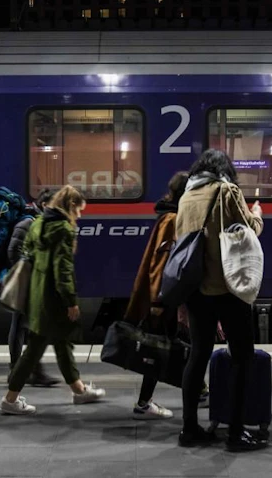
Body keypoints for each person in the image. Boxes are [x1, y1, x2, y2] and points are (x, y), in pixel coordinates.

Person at [176, 149, 266, 452]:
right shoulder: (227, 191)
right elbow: (248, 230)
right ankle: (236, 433)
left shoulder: (186, 196)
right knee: (243, 357)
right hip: (228, 288)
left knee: (198, 355)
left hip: (195, 289)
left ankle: (189, 428)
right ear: (224, 169)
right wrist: (258, 216)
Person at [0, 185, 106, 415]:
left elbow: (29, 253)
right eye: (79, 209)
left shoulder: (38, 224)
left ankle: (79, 390)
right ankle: (10, 399)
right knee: (34, 350)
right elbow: (63, 269)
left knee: (62, 343)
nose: (80, 214)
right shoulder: (64, 229)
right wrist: (70, 301)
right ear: (71, 205)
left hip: (38, 294)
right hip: (54, 298)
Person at [123, 171, 189, 420]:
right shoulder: (172, 220)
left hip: (167, 297)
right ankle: (143, 402)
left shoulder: (169, 216)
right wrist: (158, 300)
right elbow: (160, 264)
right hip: (165, 298)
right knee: (161, 348)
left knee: (176, 345)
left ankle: (199, 390)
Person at [6, 188, 61, 386]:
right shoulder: (27, 222)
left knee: (30, 328)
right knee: (23, 326)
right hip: (27, 283)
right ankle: (18, 370)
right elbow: (14, 251)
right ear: (45, 205)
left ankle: (29, 372)